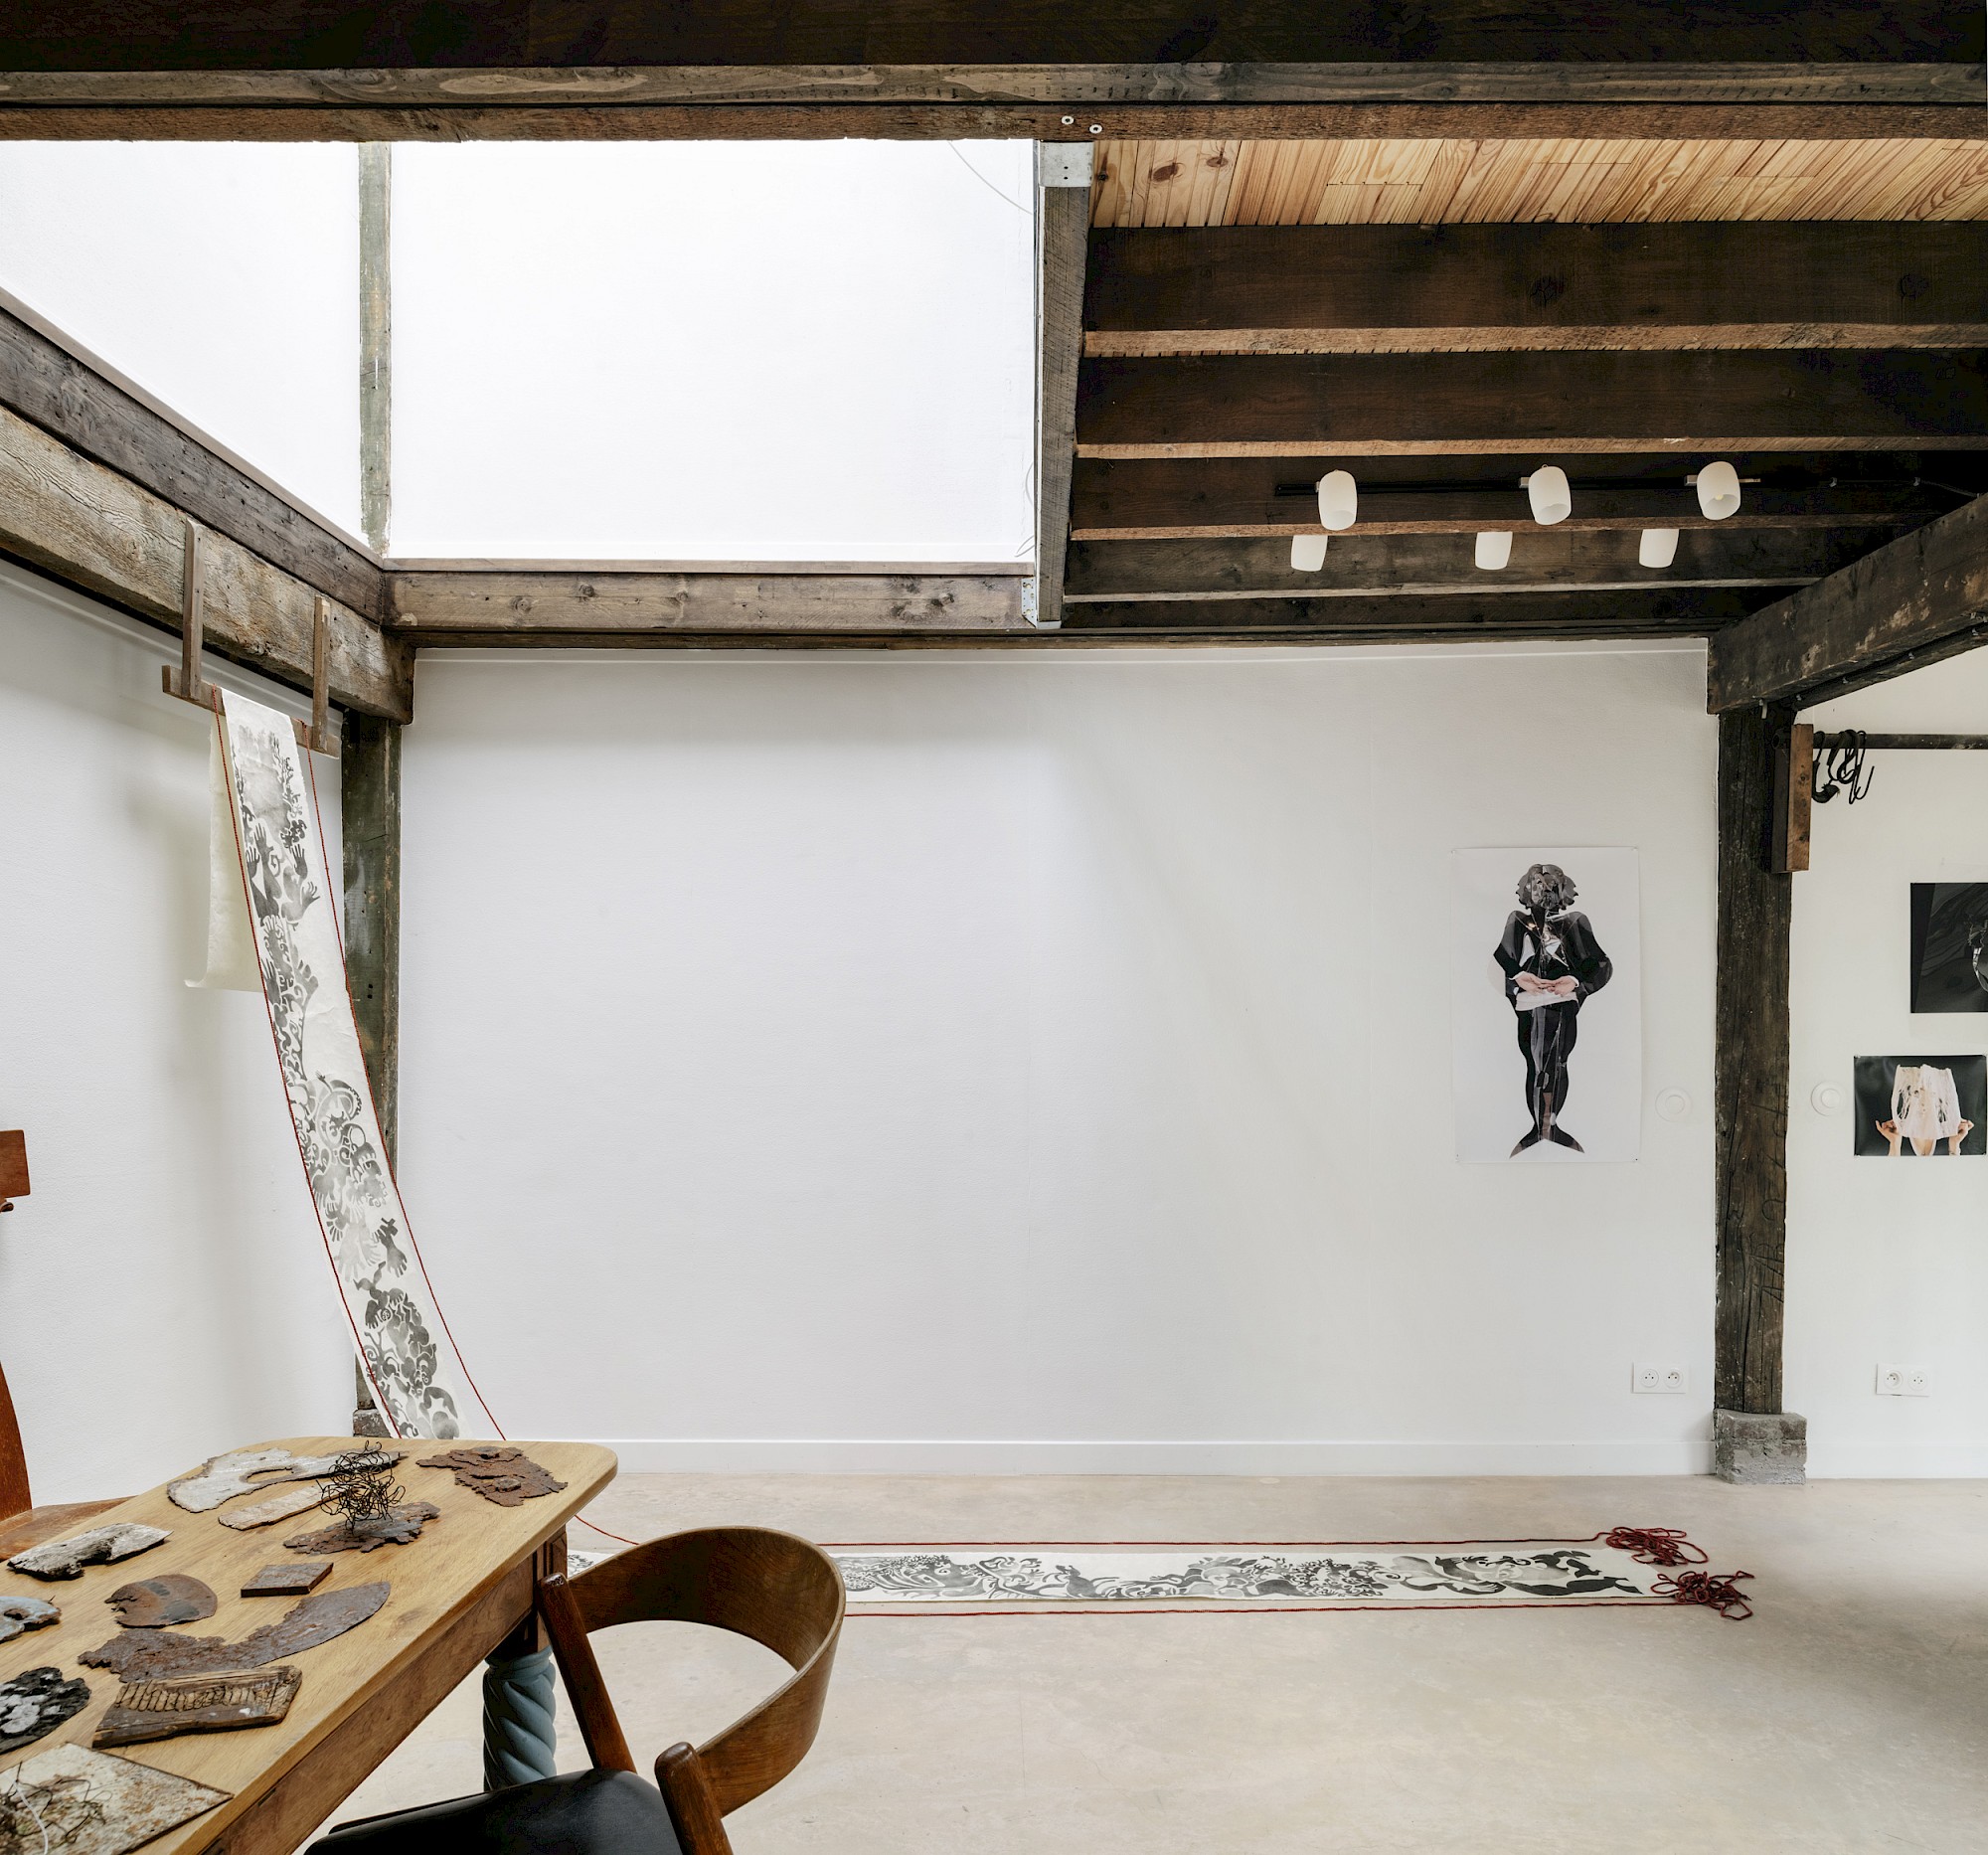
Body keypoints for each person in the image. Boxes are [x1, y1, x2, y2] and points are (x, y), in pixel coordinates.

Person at [1493, 863, 1612, 1156]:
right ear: (1526, 888)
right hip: (1528, 1006)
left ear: (1563, 889)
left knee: (1558, 1064)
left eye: (1550, 884)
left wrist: (1574, 981)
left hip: (1562, 1005)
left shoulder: (1575, 920)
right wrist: (1518, 978)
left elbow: (1600, 963)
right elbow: (1501, 959)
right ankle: (1539, 1128)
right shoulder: (1517, 920)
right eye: (1537, 883)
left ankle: (1551, 1125)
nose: (1544, 889)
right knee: (1534, 1065)